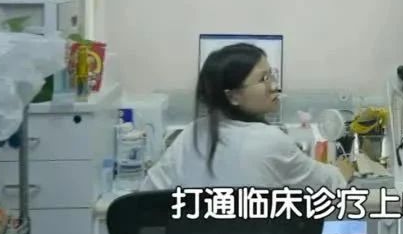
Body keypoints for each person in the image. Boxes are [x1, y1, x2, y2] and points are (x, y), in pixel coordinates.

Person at [143, 42, 354, 191]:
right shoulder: (271, 141)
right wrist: (343, 170)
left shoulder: (191, 134)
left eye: (272, 75)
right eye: (264, 79)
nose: (275, 86)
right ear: (233, 96)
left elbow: (146, 195)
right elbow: (329, 185)